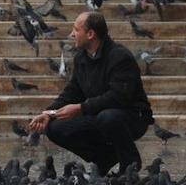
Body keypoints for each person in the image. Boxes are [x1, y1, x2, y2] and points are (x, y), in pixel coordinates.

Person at [29, 12, 153, 176]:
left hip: (131, 117)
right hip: (97, 114)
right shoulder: (81, 58)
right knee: (54, 128)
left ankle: (130, 162)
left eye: (76, 29)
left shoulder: (120, 56)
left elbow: (118, 97)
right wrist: (49, 113)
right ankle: (104, 158)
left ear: (90, 34)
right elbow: (72, 91)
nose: (72, 34)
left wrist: (81, 108)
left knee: (108, 117)